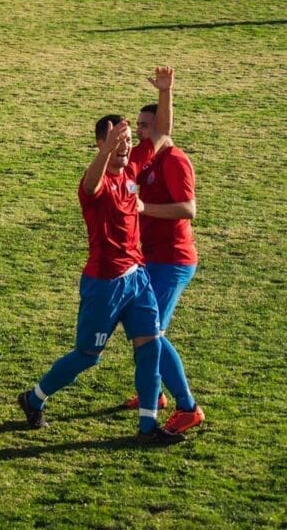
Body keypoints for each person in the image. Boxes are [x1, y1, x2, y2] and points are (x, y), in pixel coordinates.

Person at [17, 114, 185, 445]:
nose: (125, 146)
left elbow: (163, 132)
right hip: (105, 284)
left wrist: (166, 92)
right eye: (116, 140)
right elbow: (90, 185)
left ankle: (147, 426)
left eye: (127, 140)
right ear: (99, 143)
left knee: (150, 346)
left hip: (138, 278)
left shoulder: (132, 169)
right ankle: (33, 398)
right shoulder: (95, 183)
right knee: (87, 356)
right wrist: (108, 150)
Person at [126, 67, 204, 434]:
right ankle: (153, 393)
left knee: (152, 331)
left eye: (145, 125)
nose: (141, 131)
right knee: (141, 325)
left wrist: (144, 208)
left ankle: (188, 407)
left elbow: (188, 209)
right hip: (151, 257)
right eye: (138, 125)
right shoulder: (151, 159)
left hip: (172, 260)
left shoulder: (174, 161)